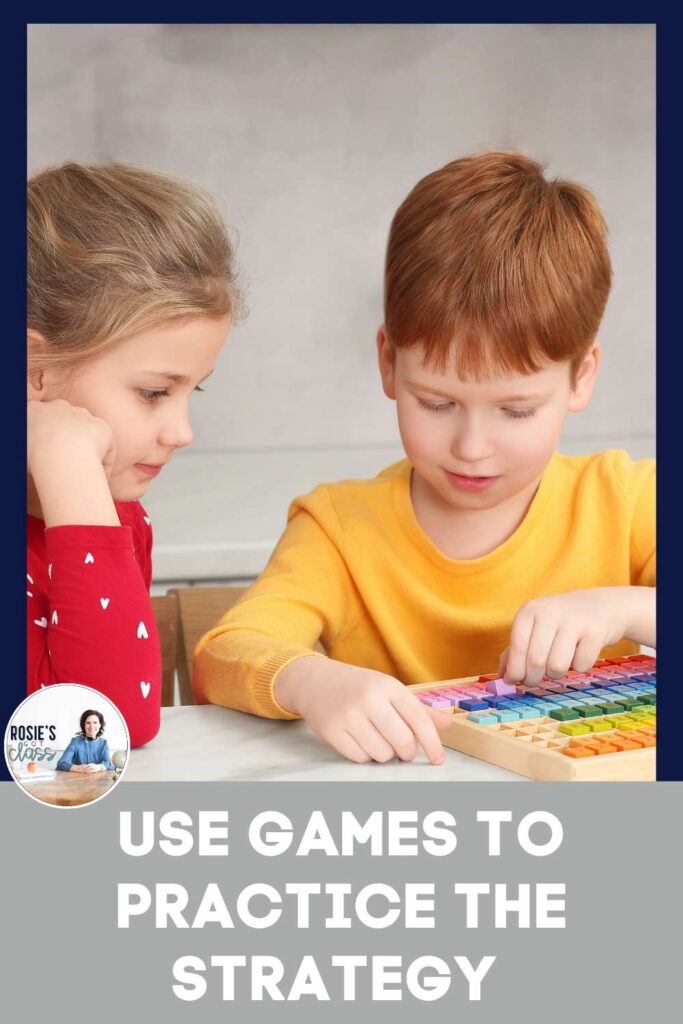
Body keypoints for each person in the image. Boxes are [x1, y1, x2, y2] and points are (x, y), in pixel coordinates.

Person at [193, 150, 655, 766]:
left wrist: (628, 607)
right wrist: (312, 682)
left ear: (581, 377)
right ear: (388, 363)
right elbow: (226, 653)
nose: (471, 446)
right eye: (436, 403)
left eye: (515, 411)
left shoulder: (628, 501)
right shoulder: (340, 528)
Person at [27, 162, 240, 746]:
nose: (181, 431)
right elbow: (98, 733)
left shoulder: (114, 515)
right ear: (35, 371)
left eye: (191, 391)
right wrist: (69, 470)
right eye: (153, 393)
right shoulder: (89, 504)